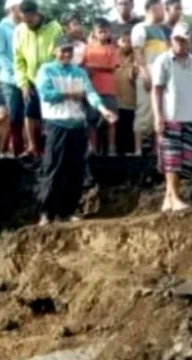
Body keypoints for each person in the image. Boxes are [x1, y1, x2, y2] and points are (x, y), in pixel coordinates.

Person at [35, 37, 118, 225]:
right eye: (63, 51)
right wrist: (70, 94)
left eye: (69, 52)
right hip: (56, 125)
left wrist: (104, 110)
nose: (66, 55)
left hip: (77, 126)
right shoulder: (46, 70)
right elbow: (46, 94)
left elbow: (90, 93)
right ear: (54, 51)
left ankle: (68, 211)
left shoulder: (79, 72)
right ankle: (47, 213)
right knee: (53, 169)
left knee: (75, 170)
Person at [153, 22, 192, 212]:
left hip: (191, 115)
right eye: (177, 40)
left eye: (184, 41)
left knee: (184, 160)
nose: (180, 44)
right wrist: (158, 115)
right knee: (171, 159)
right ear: (171, 40)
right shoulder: (163, 60)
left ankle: (170, 198)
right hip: (171, 115)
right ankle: (174, 197)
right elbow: (157, 90)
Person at [14, 1, 64, 156]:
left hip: (51, 80)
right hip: (31, 80)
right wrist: (23, 83)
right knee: (29, 114)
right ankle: (32, 148)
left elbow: (60, 54)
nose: (27, 23)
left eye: (30, 20)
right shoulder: (19, 31)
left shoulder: (54, 28)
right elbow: (18, 59)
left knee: (51, 116)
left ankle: (51, 149)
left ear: (37, 13)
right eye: (24, 20)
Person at [131, 0, 171, 154]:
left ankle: (156, 150)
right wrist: (144, 74)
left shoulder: (162, 31)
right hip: (147, 77)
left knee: (159, 112)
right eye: (161, 7)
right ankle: (138, 149)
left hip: (162, 79)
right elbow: (138, 53)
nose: (163, 10)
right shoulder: (140, 28)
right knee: (144, 111)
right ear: (152, 8)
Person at [0, 0, 26, 156]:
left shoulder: (25, 26)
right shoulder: (1, 28)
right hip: (10, 80)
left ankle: (23, 151)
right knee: (12, 116)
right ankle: (7, 150)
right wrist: (16, 70)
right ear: (13, 8)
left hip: (26, 79)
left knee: (26, 116)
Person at [85, 19, 121, 153]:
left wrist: (92, 67)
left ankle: (112, 148)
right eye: (100, 31)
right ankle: (93, 148)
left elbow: (112, 67)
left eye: (105, 31)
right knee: (92, 121)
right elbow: (82, 66)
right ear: (94, 33)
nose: (103, 34)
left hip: (109, 89)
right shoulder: (87, 48)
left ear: (109, 32)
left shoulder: (112, 49)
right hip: (92, 90)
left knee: (111, 120)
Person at [114, 32, 139, 152]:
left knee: (130, 129)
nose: (126, 44)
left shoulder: (136, 57)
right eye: (123, 40)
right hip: (115, 100)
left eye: (129, 41)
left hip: (131, 100)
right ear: (117, 42)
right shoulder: (112, 56)